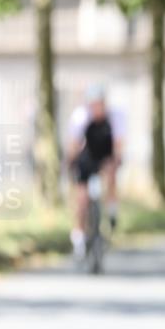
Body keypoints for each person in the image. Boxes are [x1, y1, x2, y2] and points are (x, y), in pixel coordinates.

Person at [67, 84, 125, 258]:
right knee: (82, 199)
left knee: (111, 174)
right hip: (87, 156)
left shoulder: (115, 117)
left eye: (99, 104)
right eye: (93, 105)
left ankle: (112, 211)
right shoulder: (81, 117)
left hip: (105, 154)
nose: (97, 108)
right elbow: (74, 146)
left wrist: (115, 161)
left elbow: (118, 144)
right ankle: (79, 237)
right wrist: (71, 164)